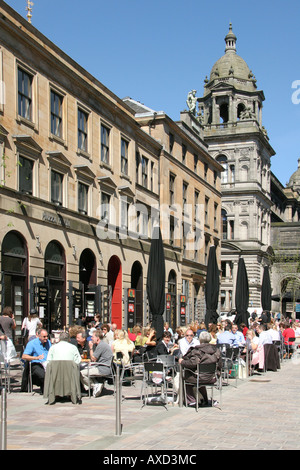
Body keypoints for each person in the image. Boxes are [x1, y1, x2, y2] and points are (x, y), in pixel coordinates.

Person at [179, 331, 222, 406]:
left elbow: (192, 363)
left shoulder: (197, 351)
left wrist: (182, 361)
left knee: (186, 374)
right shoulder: (216, 350)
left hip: (200, 377)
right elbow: (220, 364)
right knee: (201, 375)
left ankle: (191, 400)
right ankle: (205, 399)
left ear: (200, 340)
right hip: (212, 377)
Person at [80, 329, 113, 397]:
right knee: (85, 369)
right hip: (103, 366)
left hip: (103, 368)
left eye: (93, 337)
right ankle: (95, 385)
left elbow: (93, 358)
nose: (91, 338)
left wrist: (91, 348)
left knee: (82, 373)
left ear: (97, 338)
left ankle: (95, 385)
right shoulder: (102, 344)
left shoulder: (101, 345)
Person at [22, 329, 51, 393]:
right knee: (43, 374)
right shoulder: (32, 343)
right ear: (38, 336)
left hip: (47, 362)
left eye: (47, 336)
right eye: (44, 337)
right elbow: (24, 356)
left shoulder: (48, 342)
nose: (46, 338)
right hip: (36, 363)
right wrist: (36, 358)